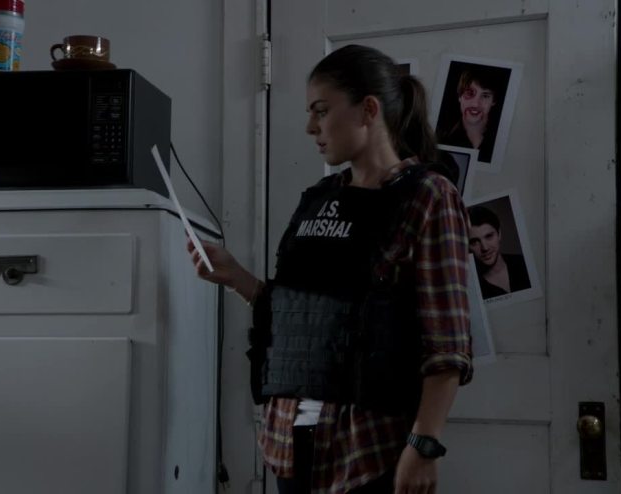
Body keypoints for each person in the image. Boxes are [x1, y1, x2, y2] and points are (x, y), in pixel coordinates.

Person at [188, 44, 472, 494]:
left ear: (369, 110)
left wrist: (423, 444)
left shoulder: (428, 195)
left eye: (321, 111)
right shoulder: (320, 196)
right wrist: (236, 277)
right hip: (286, 444)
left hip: (368, 451)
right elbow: (297, 311)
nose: (310, 127)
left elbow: (447, 344)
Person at [438, 66, 501, 163]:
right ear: (460, 96)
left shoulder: (499, 141)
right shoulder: (441, 139)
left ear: (493, 101)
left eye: (485, 96)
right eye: (469, 93)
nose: (476, 104)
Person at [468, 205, 531, 299]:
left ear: (499, 234)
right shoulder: (471, 287)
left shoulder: (525, 262)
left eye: (489, 236)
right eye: (474, 242)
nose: (485, 248)